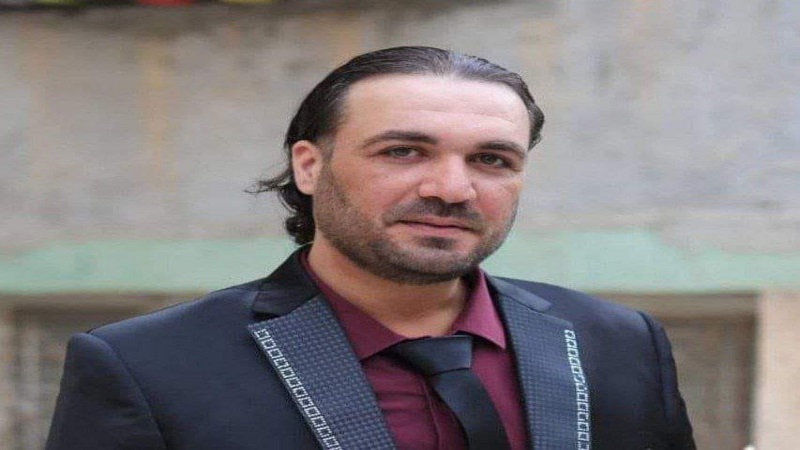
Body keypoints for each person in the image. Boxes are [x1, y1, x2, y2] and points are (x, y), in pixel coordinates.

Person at [46, 46, 695, 450]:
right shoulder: (148, 367)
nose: (451, 189)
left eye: (492, 159)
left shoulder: (620, 343)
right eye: (403, 151)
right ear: (308, 166)